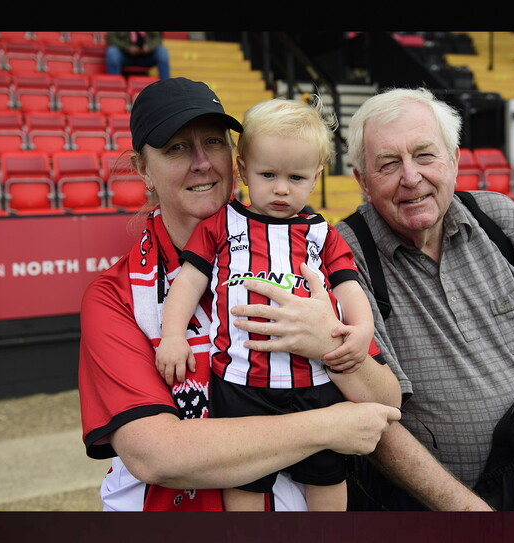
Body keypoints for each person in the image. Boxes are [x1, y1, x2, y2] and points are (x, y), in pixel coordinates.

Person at [77, 77, 403, 511]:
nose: (201, 163)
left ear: (235, 158)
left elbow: (383, 404)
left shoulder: (299, 252)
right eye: (175, 147)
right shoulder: (113, 296)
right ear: (141, 168)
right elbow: (156, 454)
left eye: (212, 142)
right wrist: (327, 426)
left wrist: (328, 343)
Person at [326, 87, 514, 510]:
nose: (411, 177)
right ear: (362, 181)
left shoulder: (500, 219)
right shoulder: (343, 255)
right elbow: (375, 421)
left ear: (454, 160)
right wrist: (473, 514)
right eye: (388, 164)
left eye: (425, 155)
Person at [156, 97, 382, 511]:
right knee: (243, 481)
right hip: (241, 382)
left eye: (296, 177)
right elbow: (187, 283)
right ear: (242, 170)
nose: (281, 188)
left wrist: (361, 329)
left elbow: (350, 288)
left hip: (313, 383)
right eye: (267, 174)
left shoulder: (321, 234)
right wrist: (172, 335)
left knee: (328, 477)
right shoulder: (222, 224)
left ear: (316, 177)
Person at [104, 31, 170, 79]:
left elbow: (158, 38)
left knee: (162, 51)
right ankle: (114, 84)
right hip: (125, 56)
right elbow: (110, 39)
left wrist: (149, 47)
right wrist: (127, 48)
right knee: (112, 51)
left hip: (146, 57)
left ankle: (166, 86)